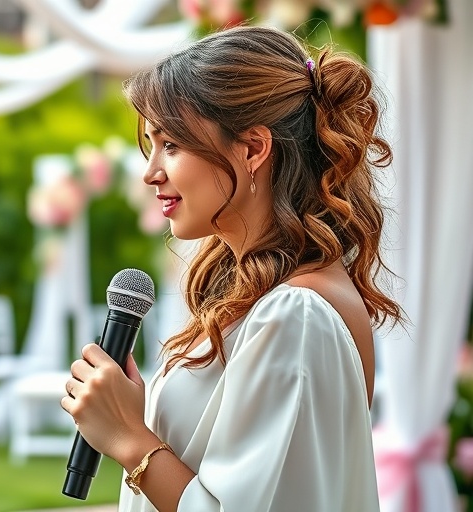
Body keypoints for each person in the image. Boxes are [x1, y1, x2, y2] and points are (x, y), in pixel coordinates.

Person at [60, 25, 403, 512]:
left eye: (172, 145)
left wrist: (128, 437)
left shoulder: (295, 315)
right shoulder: (270, 300)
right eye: (152, 145)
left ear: (252, 149)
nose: (150, 171)